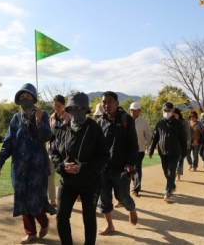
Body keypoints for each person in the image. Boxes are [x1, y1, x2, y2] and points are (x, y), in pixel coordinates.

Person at [0, 83, 51, 244]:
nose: (25, 99)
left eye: (28, 96)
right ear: (18, 100)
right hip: (19, 166)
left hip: (37, 166)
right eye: (22, 97)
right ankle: (30, 232)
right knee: (22, 199)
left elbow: (46, 137)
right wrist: (0, 161)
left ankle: (44, 221)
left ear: (33, 98)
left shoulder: (43, 114)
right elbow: (8, 141)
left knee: (35, 199)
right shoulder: (15, 118)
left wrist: (39, 122)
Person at [51, 91, 109, 245]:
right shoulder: (62, 130)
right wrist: (62, 166)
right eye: (72, 107)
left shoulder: (94, 129)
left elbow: (104, 157)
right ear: (68, 109)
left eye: (79, 107)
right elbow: (55, 153)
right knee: (61, 217)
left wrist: (83, 167)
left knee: (89, 218)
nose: (76, 110)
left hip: (90, 182)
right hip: (67, 182)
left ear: (85, 109)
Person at [97, 91, 139, 235]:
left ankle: (131, 209)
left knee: (122, 196)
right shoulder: (100, 122)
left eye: (110, 101)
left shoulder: (125, 119)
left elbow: (134, 144)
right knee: (104, 198)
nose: (106, 104)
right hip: (103, 168)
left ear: (117, 103)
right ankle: (110, 225)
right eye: (104, 102)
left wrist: (131, 164)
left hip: (121, 168)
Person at [148, 102, 187, 202]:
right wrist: (151, 150)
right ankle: (172, 185)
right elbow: (154, 137)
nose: (166, 112)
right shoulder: (159, 123)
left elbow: (183, 139)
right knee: (166, 172)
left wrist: (184, 152)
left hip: (174, 152)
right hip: (162, 152)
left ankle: (167, 192)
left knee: (170, 172)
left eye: (168, 111)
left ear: (172, 111)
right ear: (162, 111)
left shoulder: (179, 124)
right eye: (165, 110)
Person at [48, 95, 71, 207]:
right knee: (50, 174)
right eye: (55, 105)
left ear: (64, 105)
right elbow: (49, 133)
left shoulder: (69, 117)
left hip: (65, 152)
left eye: (59, 105)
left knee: (65, 176)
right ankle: (52, 199)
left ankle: (68, 198)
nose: (56, 108)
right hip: (53, 151)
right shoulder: (52, 117)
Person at [129, 102, 152, 195]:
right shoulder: (126, 120)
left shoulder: (143, 122)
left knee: (137, 168)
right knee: (130, 168)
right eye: (131, 110)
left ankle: (136, 188)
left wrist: (150, 147)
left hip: (140, 149)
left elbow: (148, 135)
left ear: (139, 111)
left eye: (134, 110)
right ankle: (136, 184)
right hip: (128, 150)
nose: (132, 112)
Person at [173, 108, 190, 181]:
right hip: (172, 145)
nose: (173, 115)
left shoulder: (184, 122)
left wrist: (188, 144)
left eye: (174, 114)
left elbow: (188, 134)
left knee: (180, 160)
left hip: (181, 144)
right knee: (173, 160)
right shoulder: (170, 122)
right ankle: (173, 173)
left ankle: (178, 174)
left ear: (178, 114)